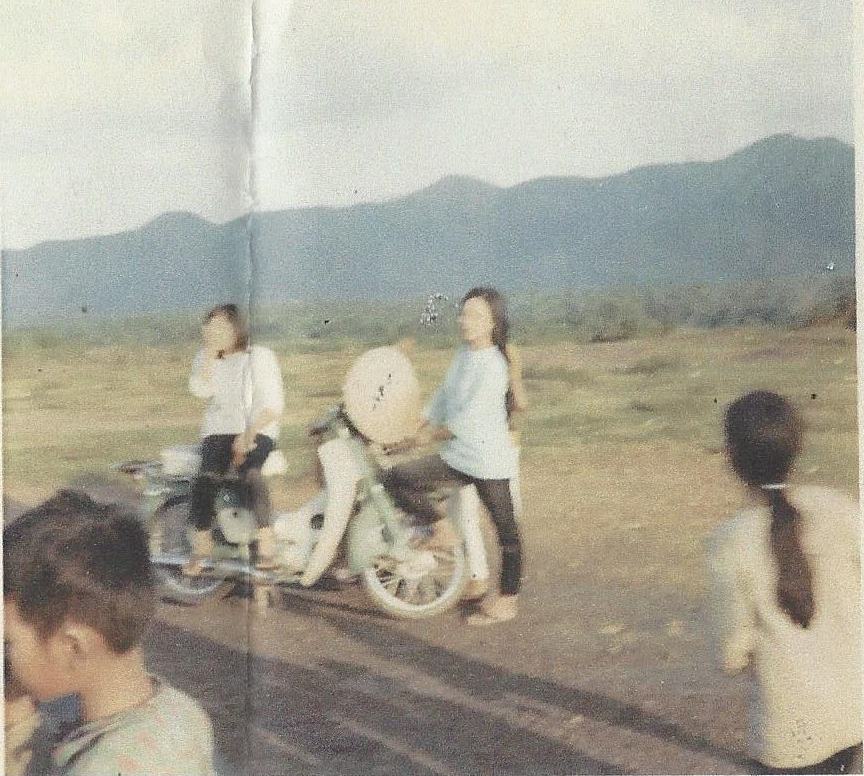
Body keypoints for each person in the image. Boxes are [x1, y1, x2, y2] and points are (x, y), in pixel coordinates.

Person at [3, 490, 217, 775]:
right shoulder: (183, 711)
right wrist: (18, 718)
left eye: (8, 643)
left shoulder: (99, 767)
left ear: (73, 648)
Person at [706, 391, 861, 774]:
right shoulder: (841, 508)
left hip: (788, 733)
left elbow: (730, 655)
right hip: (852, 713)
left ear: (732, 456)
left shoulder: (731, 541)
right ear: (797, 447)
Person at [384, 286, 525, 625]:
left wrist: (425, 437)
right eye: (463, 313)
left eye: (475, 315)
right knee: (397, 479)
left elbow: (468, 419)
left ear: (493, 322)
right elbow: (444, 396)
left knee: (506, 533)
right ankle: (441, 530)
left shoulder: (494, 366)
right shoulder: (464, 355)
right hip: (459, 456)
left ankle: (507, 601)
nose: (465, 320)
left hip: (488, 461)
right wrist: (421, 420)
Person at [186, 303, 285, 574]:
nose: (214, 332)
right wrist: (210, 356)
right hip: (219, 430)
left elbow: (273, 404)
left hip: (258, 427)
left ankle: (267, 545)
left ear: (237, 328)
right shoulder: (204, 357)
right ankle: (202, 543)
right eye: (210, 327)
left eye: (221, 327)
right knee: (205, 479)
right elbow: (200, 390)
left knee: (251, 474)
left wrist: (248, 435)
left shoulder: (260, 356)